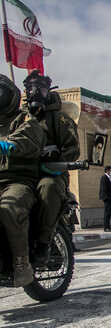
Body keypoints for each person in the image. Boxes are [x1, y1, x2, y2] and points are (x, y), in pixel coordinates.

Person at [22, 70, 80, 267]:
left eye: (41, 88)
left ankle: (44, 242)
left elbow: (73, 149)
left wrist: (56, 157)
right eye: (31, 88)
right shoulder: (20, 118)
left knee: (48, 188)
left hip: (51, 172)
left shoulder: (59, 119)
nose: (35, 92)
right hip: (22, 174)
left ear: (49, 91)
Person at [0, 74, 46, 286]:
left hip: (17, 181)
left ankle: (21, 261)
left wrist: (11, 144)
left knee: (10, 207)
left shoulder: (23, 118)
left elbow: (31, 137)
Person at [99, 166, 111, 232]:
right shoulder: (104, 177)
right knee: (107, 212)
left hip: (110, 196)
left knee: (109, 212)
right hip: (107, 197)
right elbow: (104, 188)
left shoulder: (109, 177)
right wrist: (106, 196)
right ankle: (106, 227)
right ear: (107, 170)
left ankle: (108, 226)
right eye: (110, 170)